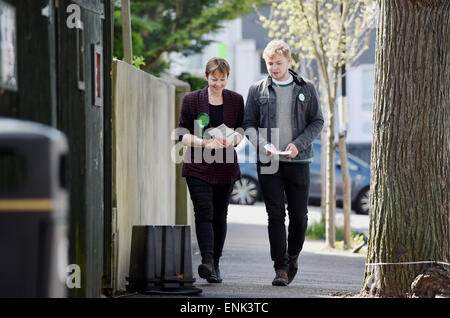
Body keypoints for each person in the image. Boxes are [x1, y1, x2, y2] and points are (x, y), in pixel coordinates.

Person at [242, 40, 324, 286]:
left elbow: (317, 122)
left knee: (299, 216)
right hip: (269, 161)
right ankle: (280, 268)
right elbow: (249, 125)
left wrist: (298, 144)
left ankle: (293, 256)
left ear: (289, 61)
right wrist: (261, 145)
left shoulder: (307, 88)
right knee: (275, 214)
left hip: (299, 160)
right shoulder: (257, 90)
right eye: (269, 63)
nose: (274, 68)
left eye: (278, 63)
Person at [177, 57, 244, 283]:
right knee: (203, 211)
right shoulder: (191, 100)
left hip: (225, 166)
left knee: (220, 215)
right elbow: (181, 133)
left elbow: (241, 130)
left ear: (227, 78)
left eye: (222, 79)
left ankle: (215, 264)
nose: (218, 84)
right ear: (206, 77)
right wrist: (204, 143)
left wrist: (232, 139)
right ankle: (206, 260)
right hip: (198, 164)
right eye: (214, 79)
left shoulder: (236, 100)